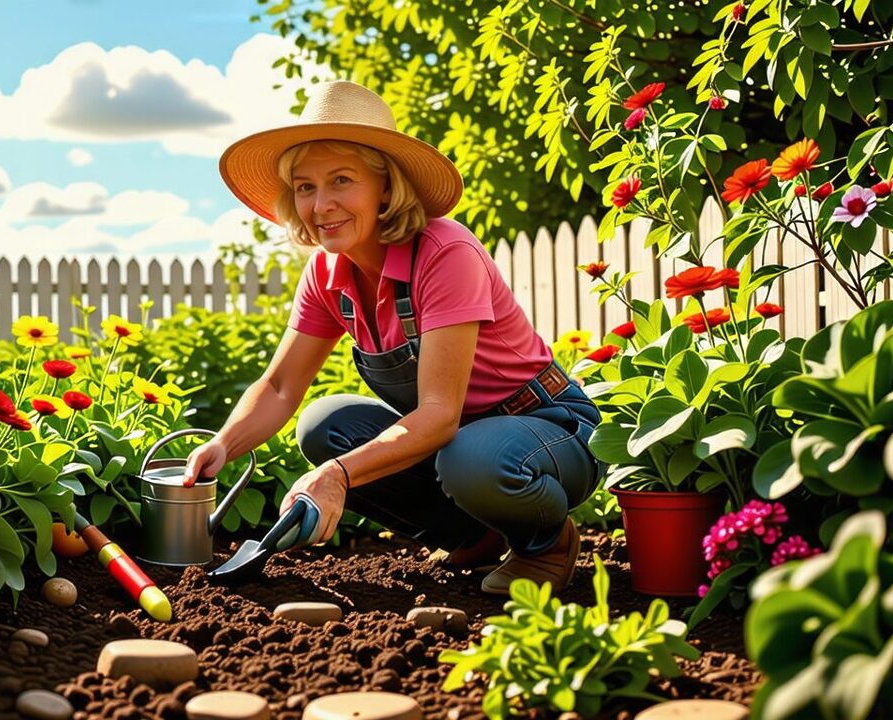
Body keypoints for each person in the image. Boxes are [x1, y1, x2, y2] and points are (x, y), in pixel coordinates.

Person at [182, 80, 607, 594]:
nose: (321, 205)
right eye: (305, 186)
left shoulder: (444, 252)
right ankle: (477, 533)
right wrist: (223, 444)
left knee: (470, 457)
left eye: (342, 180)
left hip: (546, 429)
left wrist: (337, 476)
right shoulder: (325, 273)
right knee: (325, 426)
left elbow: (438, 413)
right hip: (457, 440)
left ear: (385, 185)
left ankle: (546, 540)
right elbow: (279, 389)